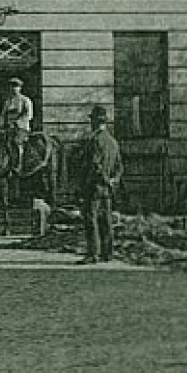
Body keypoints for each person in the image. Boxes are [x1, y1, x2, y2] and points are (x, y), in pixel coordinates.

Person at [78, 105, 122, 264]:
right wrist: (112, 181)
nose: (90, 124)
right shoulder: (113, 142)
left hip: (94, 187)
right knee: (106, 221)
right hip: (107, 189)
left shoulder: (95, 140)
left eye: (92, 120)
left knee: (91, 219)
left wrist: (99, 181)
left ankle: (93, 254)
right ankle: (107, 253)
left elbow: (95, 166)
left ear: (96, 122)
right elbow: (119, 167)